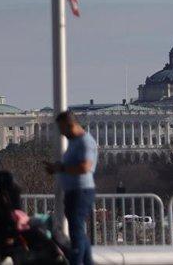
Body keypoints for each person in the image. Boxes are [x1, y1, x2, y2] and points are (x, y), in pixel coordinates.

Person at [44, 110, 99, 265]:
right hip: (74, 191)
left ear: (70, 125)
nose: (61, 133)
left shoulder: (85, 141)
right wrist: (56, 168)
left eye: (62, 129)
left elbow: (85, 167)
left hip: (81, 192)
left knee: (76, 233)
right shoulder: (75, 142)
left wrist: (60, 168)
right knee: (79, 232)